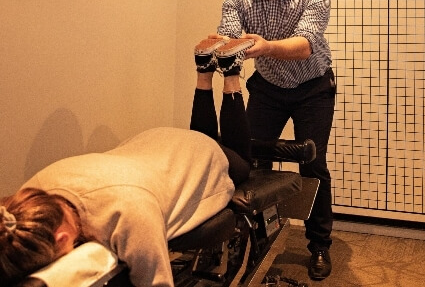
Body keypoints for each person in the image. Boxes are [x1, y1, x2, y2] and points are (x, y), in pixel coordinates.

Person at [0, 39, 313, 287]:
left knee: (240, 160)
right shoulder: (31, 192)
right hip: (154, 141)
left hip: (188, 154)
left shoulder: (131, 214)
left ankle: (230, 73)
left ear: (62, 239)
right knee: (207, 142)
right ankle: (205, 69)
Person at [214, 0, 336, 281]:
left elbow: (305, 44)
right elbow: (231, 39)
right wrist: (225, 46)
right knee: (246, 160)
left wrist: (265, 46)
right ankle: (252, 237)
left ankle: (319, 245)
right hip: (267, 87)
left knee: (313, 164)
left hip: (313, 87)